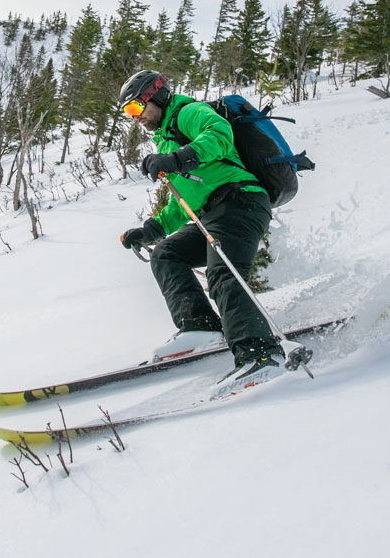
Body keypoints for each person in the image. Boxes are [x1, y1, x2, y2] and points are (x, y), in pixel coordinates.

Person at [116, 69, 285, 385]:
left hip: (240, 202)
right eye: (129, 112)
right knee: (167, 254)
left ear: (157, 95)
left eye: (136, 107)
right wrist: (151, 230)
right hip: (212, 213)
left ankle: (261, 355)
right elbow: (185, 200)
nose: (134, 117)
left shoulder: (189, 112)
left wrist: (180, 158)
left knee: (223, 274)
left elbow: (219, 136)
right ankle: (200, 326)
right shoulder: (166, 140)